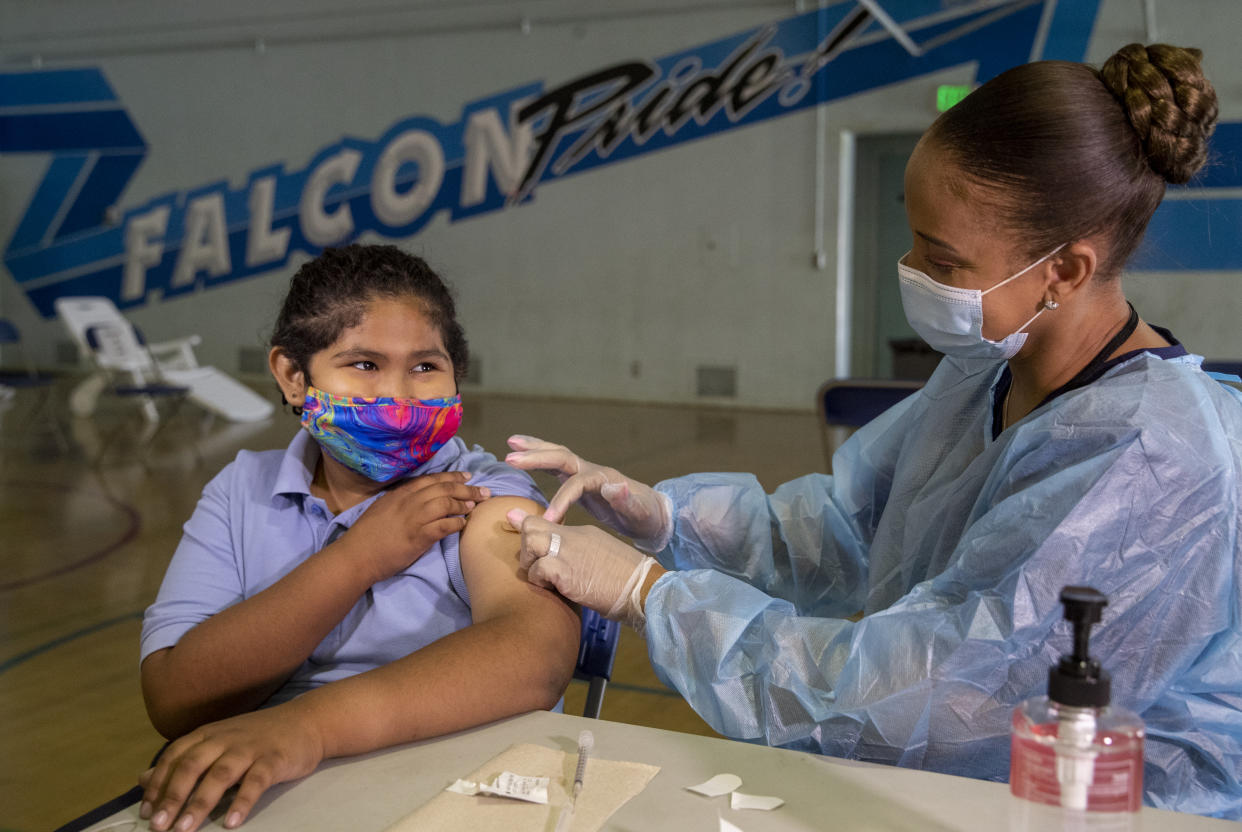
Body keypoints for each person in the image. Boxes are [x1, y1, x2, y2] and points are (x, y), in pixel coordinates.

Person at [504, 44, 1242, 818]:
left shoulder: (1155, 459)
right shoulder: (987, 368)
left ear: (1064, 271)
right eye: (915, 238)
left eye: (945, 261)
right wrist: (663, 517)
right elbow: (844, 528)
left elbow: (935, 693)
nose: (913, 271)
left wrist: (648, 596)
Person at [136, 244, 580, 832]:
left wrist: (308, 725)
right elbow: (175, 697)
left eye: (425, 366)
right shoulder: (242, 489)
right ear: (294, 376)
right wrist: (357, 559)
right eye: (364, 364)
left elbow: (535, 654)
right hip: (276, 791)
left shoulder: (486, 495)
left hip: (453, 791)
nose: (398, 397)